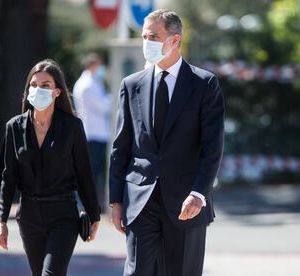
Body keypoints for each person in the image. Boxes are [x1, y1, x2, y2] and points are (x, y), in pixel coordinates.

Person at [109, 9, 224, 276]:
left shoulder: (204, 84)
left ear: (175, 40)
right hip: (140, 200)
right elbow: (121, 147)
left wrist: (198, 194)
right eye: (144, 36)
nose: (146, 42)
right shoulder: (131, 85)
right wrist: (116, 201)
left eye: (153, 36)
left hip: (187, 202)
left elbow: (212, 147)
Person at [0, 59, 101, 276]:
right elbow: (8, 177)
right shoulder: (14, 127)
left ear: (57, 92)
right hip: (29, 217)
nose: (38, 89)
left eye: (45, 86)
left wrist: (94, 214)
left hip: (63, 215)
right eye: (34, 85)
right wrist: (0, 221)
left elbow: (84, 173)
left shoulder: (72, 126)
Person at [73, 53, 113, 209]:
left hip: (96, 133)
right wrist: (114, 98)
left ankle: (90, 202)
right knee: (92, 172)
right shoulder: (87, 85)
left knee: (93, 172)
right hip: (93, 134)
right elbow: (102, 106)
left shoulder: (91, 82)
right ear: (91, 65)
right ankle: (87, 203)